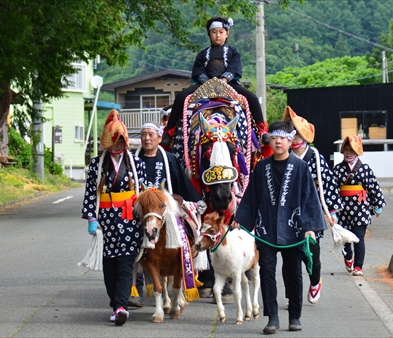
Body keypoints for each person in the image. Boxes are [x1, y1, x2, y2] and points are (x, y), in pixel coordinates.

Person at [231, 120, 327, 334]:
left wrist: (310, 227)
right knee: (267, 271)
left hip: (293, 230)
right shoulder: (261, 167)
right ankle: (272, 317)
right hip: (267, 230)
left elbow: (309, 199)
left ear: (290, 140)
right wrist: (241, 218)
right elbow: (251, 197)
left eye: (282, 138)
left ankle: (295, 316)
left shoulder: (301, 168)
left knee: (293, 272)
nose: (277, 142)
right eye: (273, 138)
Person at [81, 109, 147, 326]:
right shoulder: (96, 165)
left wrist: (147, 220)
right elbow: (91, 192)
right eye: (114, 141)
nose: (118, 145)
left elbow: (144, 192)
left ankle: (121, 307)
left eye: (121, 141)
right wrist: (92, 218)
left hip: (130, 220)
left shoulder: (135, 164)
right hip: (106, 222)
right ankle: (115, 302)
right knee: (109, 266)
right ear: (108, 142)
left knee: (126, 264)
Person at [161, 16, 268, 148]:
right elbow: (198, 71)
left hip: (229, 84)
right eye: (214, 32)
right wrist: (208, 83)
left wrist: (223, 80)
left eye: (221, 32)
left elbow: (234, 68)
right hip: (204, 85)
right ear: (209, 34)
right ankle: (170, 133)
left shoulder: (233, 52)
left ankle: (262, 131)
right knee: (181, 97)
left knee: (251, 97)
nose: (218, 35)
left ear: (227, 33)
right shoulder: (202, 53)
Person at [128, 122, 203, 307]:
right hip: (142, 208)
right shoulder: (133, 159)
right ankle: (133, 289)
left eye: (151, 134)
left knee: (190, 227)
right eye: (143, 134)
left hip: (165, 208)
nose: (146, 138)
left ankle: (190, 263)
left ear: (159, 138)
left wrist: (195, 201)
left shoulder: (168, 158)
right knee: (129, 240)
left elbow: (181, 183)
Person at [284, 106, 343, 305]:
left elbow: (328, 183)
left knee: (312, 256)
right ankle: (293, 295)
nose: (291, 137)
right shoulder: (283, 155)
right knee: (290, 256)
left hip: (311, 210)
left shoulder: (315, 157)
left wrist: (331, 210)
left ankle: (315, 280)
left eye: (295, 132)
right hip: (287, 211)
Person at [333, 135, 386, 277]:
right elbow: (332, 190)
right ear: (342, 151)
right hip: (343, 208)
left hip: (360, 207)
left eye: (352, 149)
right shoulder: (337, 169)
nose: (348, 152)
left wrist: (377, 204)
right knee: (344, 237)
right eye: (346, 149)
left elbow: (374, 186)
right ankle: (348, 257)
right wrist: (332, 209)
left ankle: (358, 266)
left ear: (357, 151)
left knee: (359, 237)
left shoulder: (365, 169)